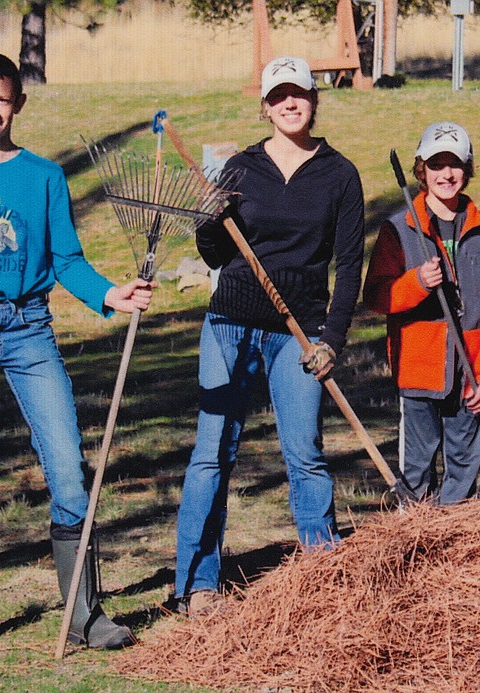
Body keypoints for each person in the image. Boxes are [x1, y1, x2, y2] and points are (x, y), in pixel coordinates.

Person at [0, 52, 152, 651]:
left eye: (2, 98)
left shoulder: (43, 176)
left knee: (67, 465)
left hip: (28, 332)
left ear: (18, 102)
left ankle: (83, 612)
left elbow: (65, 260)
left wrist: (108, 294)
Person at [174, 56, 365, 615]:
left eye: (299, 94)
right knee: (213, 453)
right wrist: (207, 220)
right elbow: (214, 253)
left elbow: (349, 265)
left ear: (314, 99)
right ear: (264, 104)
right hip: (231, 324)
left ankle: (321, 576)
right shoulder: (239, 167)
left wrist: (331, 338)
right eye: (278, 95)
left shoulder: (339, 174)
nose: (289, 103)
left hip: (298, 331)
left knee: (304, 453)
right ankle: (199, 582)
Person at [363, 122, 480, 505]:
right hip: (418, 371)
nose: (446, 174)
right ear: (421, 170)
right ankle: (416, 547)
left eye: (455, 164)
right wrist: (415, 282)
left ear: (467, 168)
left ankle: (453, 549)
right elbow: (377, 296)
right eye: (436, 164)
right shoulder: (398, 230)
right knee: (415, 474)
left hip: (471, 372)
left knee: (463, 474)